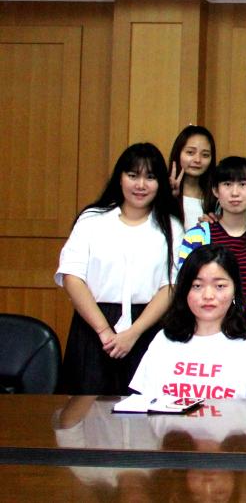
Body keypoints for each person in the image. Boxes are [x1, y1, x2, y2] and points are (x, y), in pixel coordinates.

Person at [55, 143, 184, 395]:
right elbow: (72, 277)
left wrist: (133, 333)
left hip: (147, 326)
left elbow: (171, 286)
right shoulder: (92, 219)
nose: (141, 185)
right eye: (133, 175)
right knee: (84, 409)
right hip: (93, 326)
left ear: (160, 183)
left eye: (150, 177)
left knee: (143, 412)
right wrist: (104, 331)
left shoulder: (171, 227)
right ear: (120, 177)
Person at [130, 244, 246, 399]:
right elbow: (145, 408)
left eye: (219, 286)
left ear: (234, 290)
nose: (208, 295)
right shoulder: (163, 340)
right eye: (197, 286)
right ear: (185, 290)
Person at [176, 157, 246, 320]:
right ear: (215, 190)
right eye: (227, 184)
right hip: (203, 323)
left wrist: (238, 315)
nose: (235, 193)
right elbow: (185, 285)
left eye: (243, 184)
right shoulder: (195, 237)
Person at [168, 125, 216, 230]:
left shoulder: (217, 198)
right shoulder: (161, 192)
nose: (197, 160)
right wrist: (167, 197)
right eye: (190, 152)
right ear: (178, 153)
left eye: (205, 155)